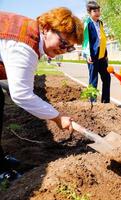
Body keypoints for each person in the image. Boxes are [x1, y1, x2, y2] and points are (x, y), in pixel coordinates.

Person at [0, 8, 83, 180]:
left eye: (68, 48)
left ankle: (0, 161)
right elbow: (21, 94)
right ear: (46, 28)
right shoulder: (24, 44)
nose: (63, 49)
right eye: (63, 43)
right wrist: (58, 118)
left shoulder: (31, 35)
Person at [82, 1, 110, 103]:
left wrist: (106, 54)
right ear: (89, 12)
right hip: (92, 55)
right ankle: (92, 101)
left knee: (106, 78)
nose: (97, 13)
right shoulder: (87, 23)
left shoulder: (100, 23)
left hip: (102, 54)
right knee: (93, 79)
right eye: (95, 11)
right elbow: (85, 40)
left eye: (98, 10)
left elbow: (102, 39)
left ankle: (106, 102)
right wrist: (87, 54)